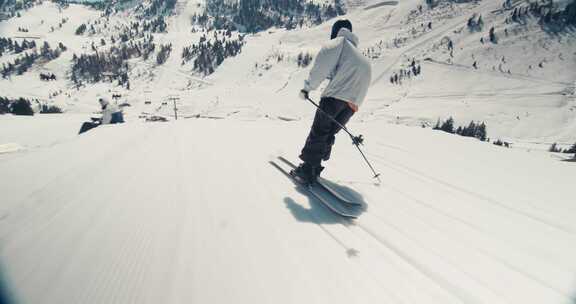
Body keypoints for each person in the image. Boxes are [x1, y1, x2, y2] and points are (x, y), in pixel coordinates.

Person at [293, 19, 372, 185]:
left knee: (320, 130)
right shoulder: (358, 55)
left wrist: (307, 88)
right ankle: (316, 165)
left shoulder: (339, 44)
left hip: (334, 99)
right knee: (328, 133)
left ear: (336, 31)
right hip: (353, 104)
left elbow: (321, 67)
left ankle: (307, 170)